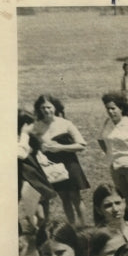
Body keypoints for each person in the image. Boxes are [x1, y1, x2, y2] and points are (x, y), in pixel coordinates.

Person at [20, 94, 89, 225]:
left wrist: (60, 147)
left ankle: (84, 226)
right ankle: (72, 227)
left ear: (55, 107)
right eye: (43, 108)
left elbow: (82, 145)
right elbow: (25, 135)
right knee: (64, 198)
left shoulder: (65, 124)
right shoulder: (37, 126)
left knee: (75, 197)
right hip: (52, 166)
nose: (46, 110)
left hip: (70, 163)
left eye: (49, 107)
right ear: (39, 109)